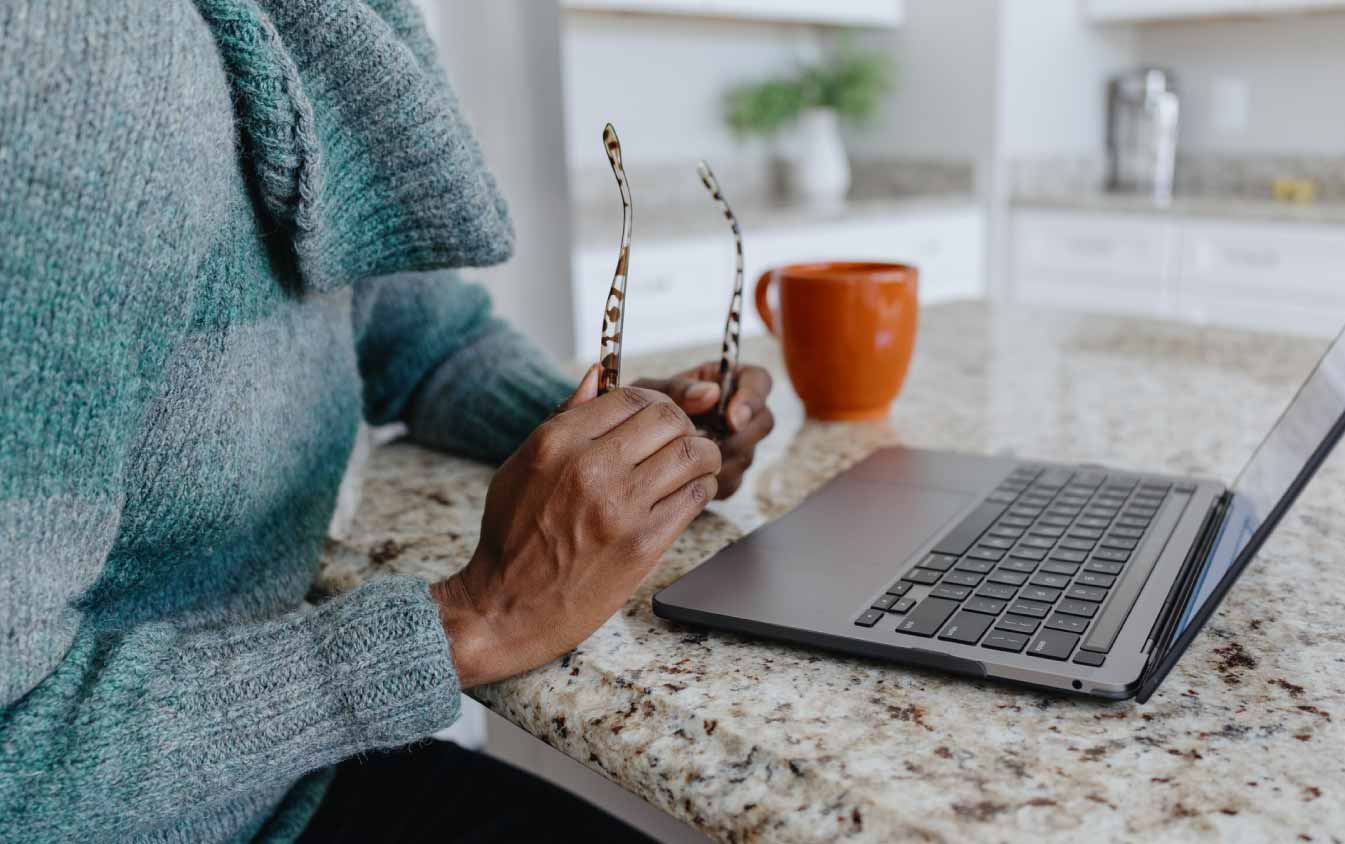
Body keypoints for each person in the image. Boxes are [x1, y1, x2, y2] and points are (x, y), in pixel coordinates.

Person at [0, 1, 774, 841]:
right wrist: (470, 620)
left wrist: (613, 441)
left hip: (277, 779)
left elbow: (431, 340)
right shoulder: (68, 58)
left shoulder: (304, 34)